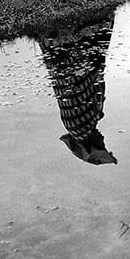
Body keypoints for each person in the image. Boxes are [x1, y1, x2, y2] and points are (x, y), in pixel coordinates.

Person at [39, 20, 118, 166]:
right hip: (62, 65)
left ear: (93, 146)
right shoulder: (78, 128)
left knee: (97, 32)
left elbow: (89, 83)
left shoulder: (84, 126)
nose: (102, 138)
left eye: (101, 144)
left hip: (73, 63)